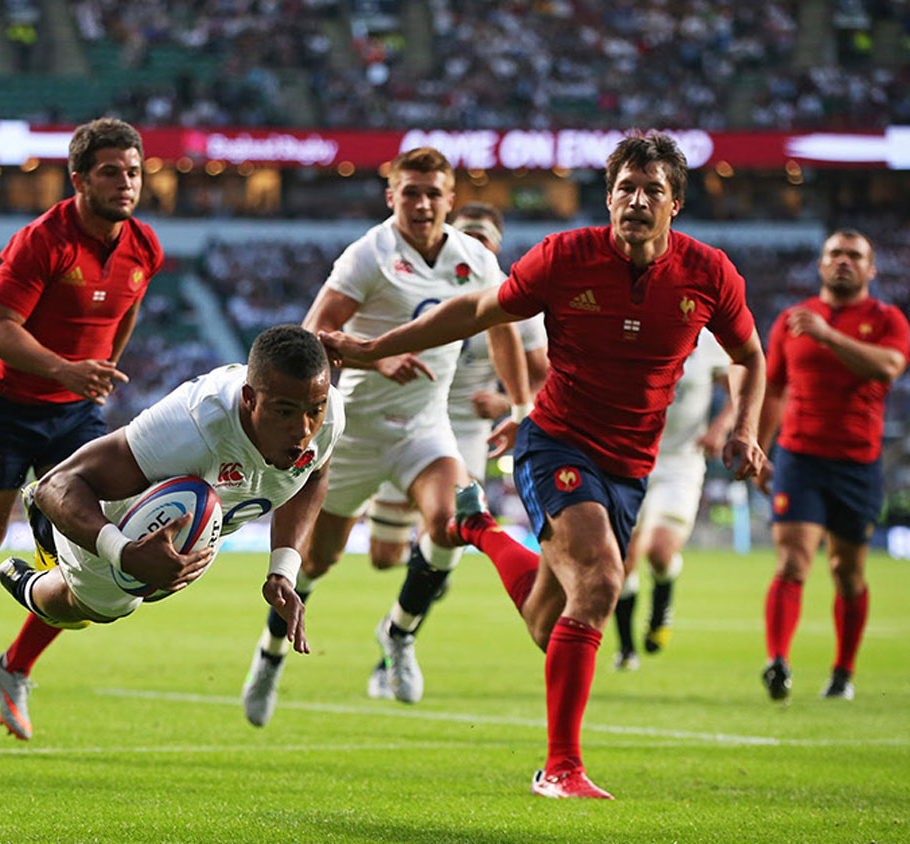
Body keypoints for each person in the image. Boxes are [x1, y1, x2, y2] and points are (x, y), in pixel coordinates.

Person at [319, 132, 766, 799]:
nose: (635, 201)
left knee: (547, 622)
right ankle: (560, 768)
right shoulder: (566, 257)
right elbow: (475, 310)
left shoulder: (708, 274)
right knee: (603, 580)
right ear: (609, 195)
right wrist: (373, 347)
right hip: (555, 441)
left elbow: (750, 356)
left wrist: (746, 429)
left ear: (676, 202)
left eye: (650, 190)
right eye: (624, 188)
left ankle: (478, 532)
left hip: (630, 465)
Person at [240, 148, 530, 727]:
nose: (422, 203)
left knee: (451, 525)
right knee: (315, 564)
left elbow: (502, 328)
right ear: (390, 195)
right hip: (350, 434)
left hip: (424, 429)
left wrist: (520, 404)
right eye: (411, 191)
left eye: (433, 193)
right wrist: (378, 360)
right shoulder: (370, 255)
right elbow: (308, 340)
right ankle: (270, 656)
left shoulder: (474, 258)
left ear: (449, 200)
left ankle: (398, 632)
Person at [0, 117, 163, 740]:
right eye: (110, 173)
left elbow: (126, 311)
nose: (125, 183)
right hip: (7, 409)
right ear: (77, 180)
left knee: (84, 566)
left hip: (74, 419)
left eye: (133, 172)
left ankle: (12, 668)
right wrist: (67, 369)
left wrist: (97, 371)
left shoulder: (144, 246)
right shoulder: (42, 241)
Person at [0, 325, 343, 650]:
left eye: (315, 410)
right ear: (249, 398)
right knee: (96, 609)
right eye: (284, 412)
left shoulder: (328, 414)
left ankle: (57, 534)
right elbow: (55, 484)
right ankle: (25, 577)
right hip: (118, 508)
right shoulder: (190, 428)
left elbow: (313, 476)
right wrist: (123, 553)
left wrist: (282, 571)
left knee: (154, 585)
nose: (303, 430)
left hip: (205, 507)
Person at [365, 202, 549, 700]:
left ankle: (397, 641)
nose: (476, 247)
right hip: (405, 418)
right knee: (383, 558)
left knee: (447, 530)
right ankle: (421, 564)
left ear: (496, 246)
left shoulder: (513, 294)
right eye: (468, 237)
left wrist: (510, 401)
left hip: (465, 429)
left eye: (484, 239)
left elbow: (542, 369)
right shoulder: (424, 281)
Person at [754, 229, 909, 702]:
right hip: (799, 457)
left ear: (871, 268)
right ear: (821, 265)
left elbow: (887, 367)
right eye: (835, 254)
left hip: (858, 464)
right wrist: (759, 447)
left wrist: (827, 335)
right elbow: (774, 389)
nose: (843, 262)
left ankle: (843, 672)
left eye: (854, 255)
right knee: (792, 562)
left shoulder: (887, 319)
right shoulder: (790, 321)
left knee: (847, 572)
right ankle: (777, 661)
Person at [612, 329, 733, 671]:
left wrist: (721, 427)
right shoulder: (633, 327)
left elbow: (737, 388)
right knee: (624, 560)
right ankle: (626, 648)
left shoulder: (707, 340)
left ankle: (662, 603)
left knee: (661, 551)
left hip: (682, 461)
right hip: (630, 458)